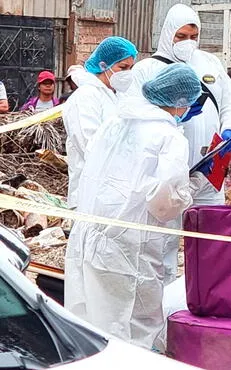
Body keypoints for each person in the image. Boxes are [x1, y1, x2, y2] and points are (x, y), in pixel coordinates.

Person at [65, 63, 206, 349]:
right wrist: (194, 184)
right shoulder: (168, 137)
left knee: (90, 319)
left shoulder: (117, 122)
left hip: (91, 231)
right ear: (182, 102)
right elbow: (165, 203)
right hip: (130, 246)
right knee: (132, 326)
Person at [128, 3, 231, 208]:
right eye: (180, 36)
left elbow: (230, 102)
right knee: (166, 232)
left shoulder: (210, 62)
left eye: (193, 37)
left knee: (209, 230)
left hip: (209, 170)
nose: (187, 43)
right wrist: (173, 118)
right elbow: (133, 112)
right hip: (165, 173)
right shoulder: (146, 69)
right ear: (167, 33)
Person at [63, 36, 138, 210]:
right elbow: (90, 146)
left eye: (131, 68)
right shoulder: (85, 97)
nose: (127, 73)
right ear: (104, 65)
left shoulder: (117, 96)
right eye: (122, 67)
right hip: (90, 193)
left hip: (114, 193)